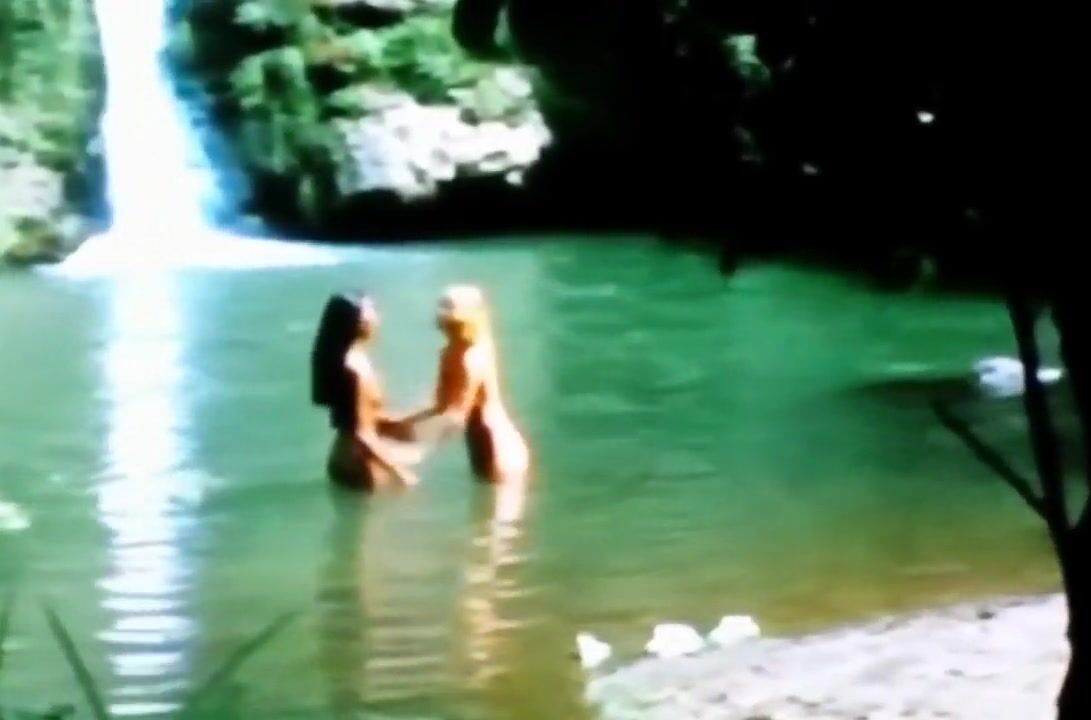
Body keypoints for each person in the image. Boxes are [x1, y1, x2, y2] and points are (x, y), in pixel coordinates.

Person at [401, 284, 530, 483]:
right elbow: (441, 408)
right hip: (491, 444)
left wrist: (407, 449)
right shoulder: (456, 351)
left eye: (452, 323)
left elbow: (455, 417)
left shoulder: (469, 357)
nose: (444, 327)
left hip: (496, 450)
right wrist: (400, 423)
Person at [311, 291, 419, 490]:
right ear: (358, 323)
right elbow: (363, 434)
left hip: (345, 458)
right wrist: (402, 474)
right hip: (360, 465)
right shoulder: (355, 369)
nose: (378, 318)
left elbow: (360, 417)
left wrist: (415, 418)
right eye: (372, 313)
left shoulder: (348, 358)